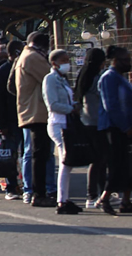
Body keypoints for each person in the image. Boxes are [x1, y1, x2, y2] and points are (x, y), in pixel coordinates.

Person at [97, 46, 132, 215]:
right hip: (115, 128)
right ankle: (104, 198)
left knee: (129, 165)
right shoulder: (109, 78)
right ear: (116, 61)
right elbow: (111, 105)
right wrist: (125, 128)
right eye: (125, 60)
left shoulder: (121, 78)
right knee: (118, 165)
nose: (128, 63)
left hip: (129, 128)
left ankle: (126, 201)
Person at [11, 32, 57, 207]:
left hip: (31, 111)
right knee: (40, 153)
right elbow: (50, 77)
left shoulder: (25, 56)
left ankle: (39, 191)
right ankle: (39, 193)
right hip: (36, 112)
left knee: (39, 153)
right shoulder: (33, 57)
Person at [42, 49, 83, 215]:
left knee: (69, 162)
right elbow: (52, 104)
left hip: (67, 123)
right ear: (54, 63)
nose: (67, 63)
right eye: (64, 60)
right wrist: (71, 109)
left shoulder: (63, 80)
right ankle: (62, 200)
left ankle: (64, 198)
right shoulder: (50, 79)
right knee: (66, 161)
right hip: (58, 123)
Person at [74, 47, 108, 209]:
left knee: (100, 160)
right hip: (96, 123)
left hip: (87, 122)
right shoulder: (96, 79)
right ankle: (92, 194)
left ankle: (101, 193)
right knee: (98, 161)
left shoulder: (83, 76)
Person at [0, 40, 25, 200]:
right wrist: (1, 123)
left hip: (24, 117)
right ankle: (11, 187)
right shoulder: (2, 71)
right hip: (9, 120)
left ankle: (24, 185)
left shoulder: (22, 68)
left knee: (25, 154)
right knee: (9, 155)